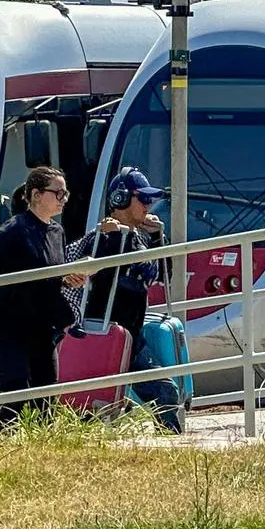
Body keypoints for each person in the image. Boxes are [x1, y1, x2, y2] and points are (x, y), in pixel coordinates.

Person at [62, 168, 183, 433]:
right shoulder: (101, 237)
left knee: (162, 392)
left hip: (130, 333)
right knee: (155, 393)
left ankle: (169, 439)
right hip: (103, 332)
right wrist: (116, 238)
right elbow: (127, 265)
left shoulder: (141, 235)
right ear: (121, 199)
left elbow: (161, 275)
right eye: (143, 199)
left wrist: (156, 238)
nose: (148, 206)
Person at [0, 167, 85, 431]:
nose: (64, 198)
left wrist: (69, 278)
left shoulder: (57, 231)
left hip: (42, 328)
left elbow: (49, 273)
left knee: (46, 401)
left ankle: (42, 453)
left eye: (65, 193)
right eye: (58, 193)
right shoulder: (14, 229)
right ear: (36, 194)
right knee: (16, 394)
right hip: (8, 326)